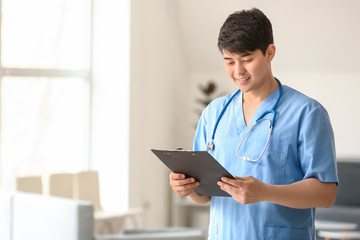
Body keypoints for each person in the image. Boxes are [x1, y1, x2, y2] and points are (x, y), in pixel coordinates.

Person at [169, 8, 338, 240]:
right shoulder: (214, 114)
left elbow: (326, 193)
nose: (238, 71)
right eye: (229, 61)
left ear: (270, 52)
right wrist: (187, 188)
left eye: (247, 59)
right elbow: (204, 195)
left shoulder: (307, 113)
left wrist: (264, 192)